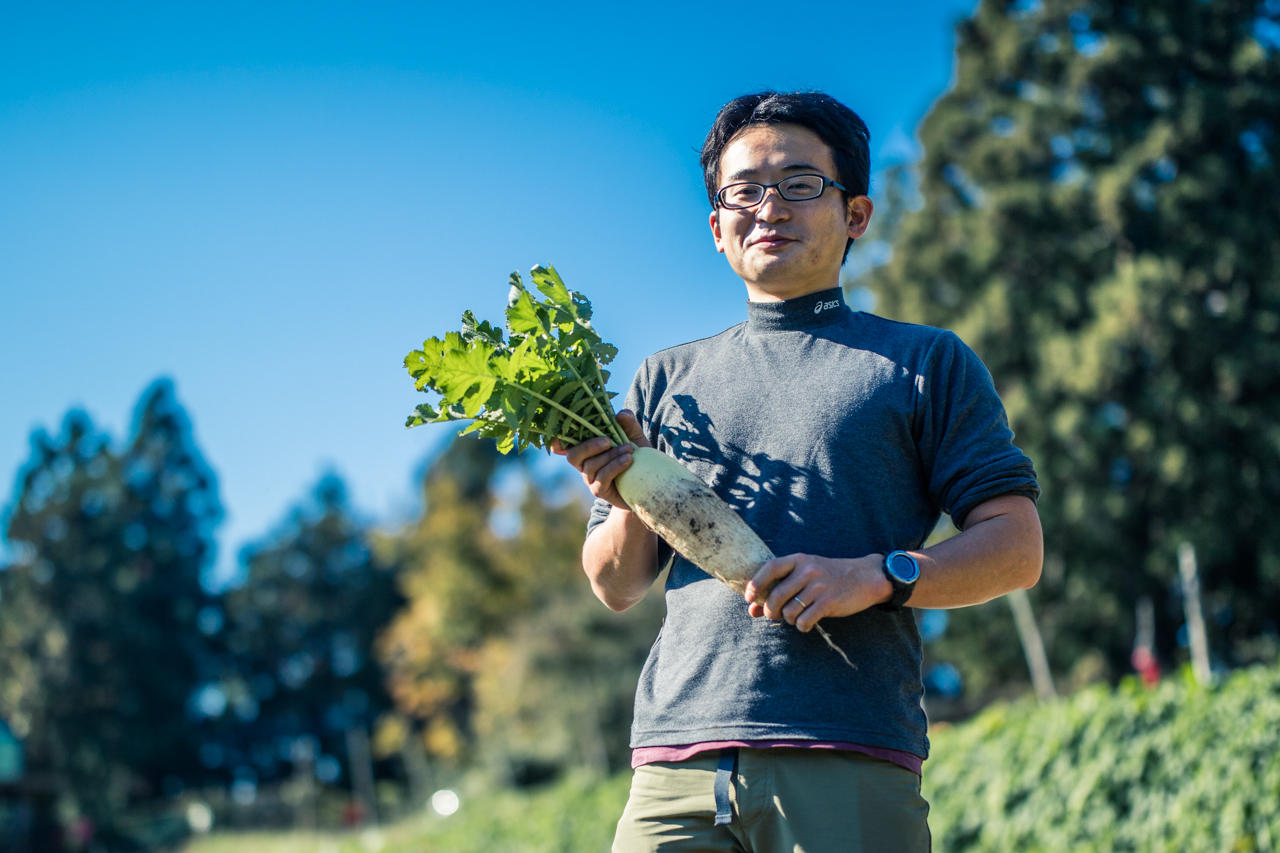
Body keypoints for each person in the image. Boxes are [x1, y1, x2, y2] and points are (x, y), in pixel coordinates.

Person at [555, 90, 1043, 852]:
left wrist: (879, 575)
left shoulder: (924, 363)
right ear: (717, 228)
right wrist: (624, 493)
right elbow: (614, 585)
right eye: (744, 190)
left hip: (845, 748)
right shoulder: (662, 378)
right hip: (674, 764)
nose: (769, 206)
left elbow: (1017, 546)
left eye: (800, 183)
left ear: (856, 215)